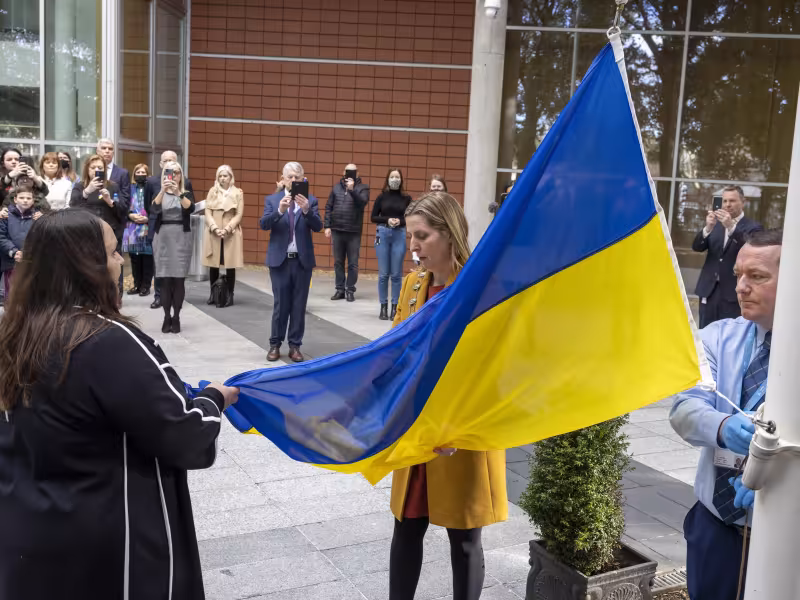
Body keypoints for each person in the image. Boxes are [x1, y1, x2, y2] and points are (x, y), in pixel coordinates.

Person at [0, 208, 239, 600]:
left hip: (29, 535)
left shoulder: (14, 335)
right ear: (84, 266)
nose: (121, 261)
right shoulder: (107, 341)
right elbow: (186, 436)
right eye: (112, 253)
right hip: (107, 546)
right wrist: (214, 398)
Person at [389, 191, 508, 600]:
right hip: (418, 432)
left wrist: (456, 427)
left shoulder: (481, 290)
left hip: (463, 434)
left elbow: (493, 371)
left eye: (422, 235)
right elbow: (395, 352)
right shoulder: (411, 285)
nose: (413, 246)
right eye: (410, 237)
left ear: (450, 235)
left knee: (464, 540)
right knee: (406, 529)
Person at [671, 229, 783, 600]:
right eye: (738, 274)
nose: (741, 287)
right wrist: (721, 425)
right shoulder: (718, 337)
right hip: (715, 529)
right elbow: (684, 406)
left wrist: (782, 481)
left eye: (758, 276)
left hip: (782, 535)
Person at [260, 161, 323, 363]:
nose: (293, 180)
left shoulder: (311, 201)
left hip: (302, 261)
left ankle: (295, 346)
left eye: (297, 177)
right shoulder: (273, 199)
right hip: (280, 261)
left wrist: (307, 210)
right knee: (281, 305)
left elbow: (318, 226)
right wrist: (279, 211)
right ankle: (274, 344)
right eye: (290, 177)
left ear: (303, 179)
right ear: (283, 178)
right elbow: (263, 224)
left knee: (298, 305)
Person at [693, 186, 762, 328]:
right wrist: (707, 228)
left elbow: (753, 251)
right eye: (724, 201)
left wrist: (731, 227)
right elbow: (697, 247)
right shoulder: (715, 225)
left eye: (732, 200)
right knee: (705, 332)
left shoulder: (753, 227)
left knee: (730, 333)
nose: (727, 204)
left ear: (743, 202)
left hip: (733, 292)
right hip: (709, 290)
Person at [71, 154, 128, 294]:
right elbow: (73, 208)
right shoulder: (79, 186)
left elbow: (123, 211)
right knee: (89, 267)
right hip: (87, 234)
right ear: (87, 169)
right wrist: (87, 191)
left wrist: (110, 201)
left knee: (111, 268)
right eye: (93, 168)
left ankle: (115, 298)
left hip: (109, 235)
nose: (96, 170)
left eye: (100, 168)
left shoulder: (113, 186)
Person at [145, 150, 195, 309]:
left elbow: (191, 207)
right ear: (161, 164)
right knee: (160, 267)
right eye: (165, 161)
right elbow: (149, 206)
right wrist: (163, 190)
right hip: (160, 227)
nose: (169, 164)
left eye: (172, 161)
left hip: (180, 231)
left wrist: (177, 191)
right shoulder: (152, 182)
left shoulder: (185, 183)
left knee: (178, 269)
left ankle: (175, 298)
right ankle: (159, 296)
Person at [324, 163, 370, 302]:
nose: (350, 174)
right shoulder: (336, 187)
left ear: (357, 173)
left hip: (353, 231)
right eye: (347, 171)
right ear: (343, 172)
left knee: (353, 263)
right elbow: (328, 206)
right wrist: (327, 226)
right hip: (337, 229)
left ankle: (350, 289)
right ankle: (340, 289)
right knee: (338, 262)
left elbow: (362, 203)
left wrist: (352, 190)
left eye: (353, 172)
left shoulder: (363, 188)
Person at [371, 168, 411, 321]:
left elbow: (410, 216)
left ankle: (395, 307)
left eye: (397, 177)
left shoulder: (406, 198)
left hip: (399, 234)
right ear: (387, 179)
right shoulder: (381, 197)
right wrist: (387, 220)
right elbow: (373, 217)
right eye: (392, 176)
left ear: (401, 180)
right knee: (383, 274)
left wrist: (399, 221)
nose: (395, 179)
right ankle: (383, 306)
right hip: (383, 233)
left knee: (396, 274)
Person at [203, 165, 244, 307]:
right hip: (214, 232)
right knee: (213, 265)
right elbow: (207, 211)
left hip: (230, 233)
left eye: (225, 175)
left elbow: (239, 214)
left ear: (231, 177)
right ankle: (213, 293)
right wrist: (214, 227)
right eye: (220, 176)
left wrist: (227, 228)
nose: (222, 178)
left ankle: (230, 295)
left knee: (230, 265)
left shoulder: (238, 193)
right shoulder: (212, 191)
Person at [0, 184, 42, 296]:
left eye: (28, 198)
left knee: (29, 293)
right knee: (12, 293)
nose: (25, 201)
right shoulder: (6, 215)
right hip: (11, 261)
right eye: (21, 198)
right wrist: (13, 251)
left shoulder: (37, 217)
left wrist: (42, 220)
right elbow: (1, 237)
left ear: (33, 201)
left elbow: (40, 237)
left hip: (30, 260)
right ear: (15, 199)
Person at [123, 164, 154, 297]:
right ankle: (137, 284)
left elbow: (156, 206)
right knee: (134, 258)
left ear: (148, 174)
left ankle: (145, 286)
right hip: (132, 226)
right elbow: (123, 205)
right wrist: (130, 215)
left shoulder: (151, 188)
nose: (140, 174)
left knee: (147, 257)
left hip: (147, 225)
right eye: (138, 172)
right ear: (134, 174)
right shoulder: (130, 188)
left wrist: (148, 218)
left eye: (143, 172)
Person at [95, 138, 131, 207]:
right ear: (97, 151)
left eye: (110, 149)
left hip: (113, 213)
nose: (107, 151)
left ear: (113, 153)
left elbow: (125, 201)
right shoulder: (91, 170)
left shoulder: (123, 173)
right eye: (104, 148)